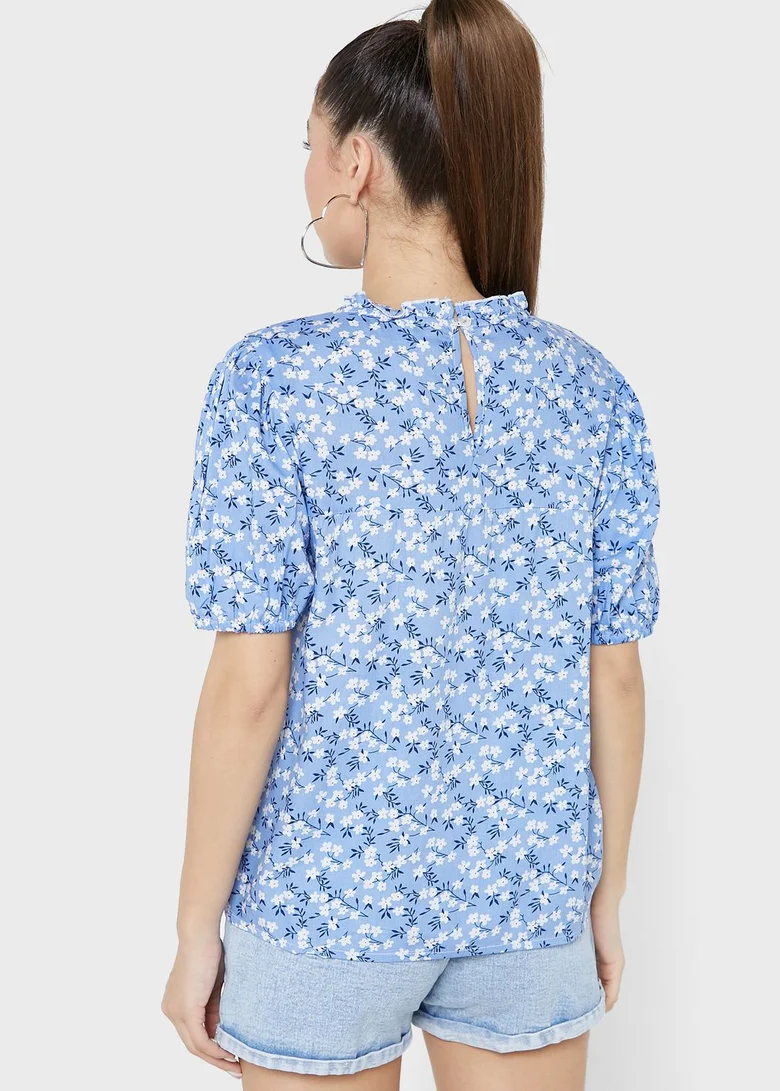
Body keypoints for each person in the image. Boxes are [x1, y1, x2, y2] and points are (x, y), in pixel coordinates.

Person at [161, 2, 661, 1088]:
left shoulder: (273, 380)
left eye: (308, 146)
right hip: (529, 902)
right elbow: (615, 675)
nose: (305, 174)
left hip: (325, 902)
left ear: (354, 163)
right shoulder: (592, 390)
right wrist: (604, 892)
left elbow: (250, 685)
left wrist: (197, 926)